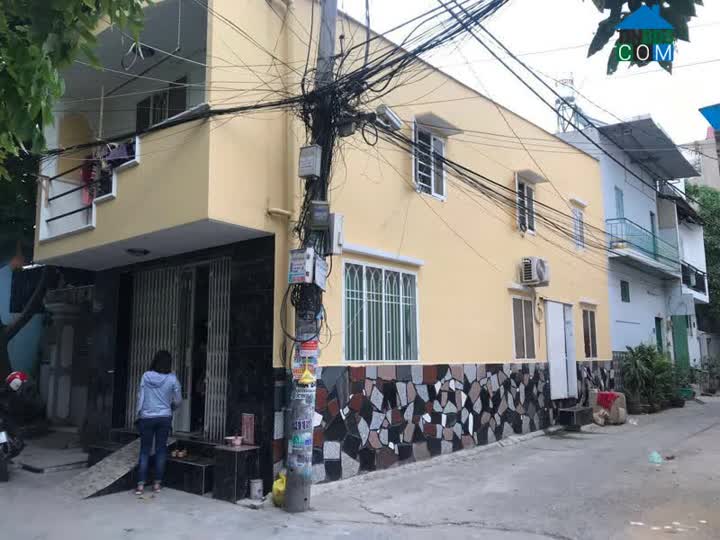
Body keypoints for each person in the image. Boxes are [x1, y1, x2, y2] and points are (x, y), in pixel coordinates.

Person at [135, 350, 181, 496]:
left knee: (145, 450)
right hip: (164, 417)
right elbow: (178, 400)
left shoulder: (146, 376)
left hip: (147, 417)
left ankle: (140, 486)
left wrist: (139, 413)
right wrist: (171, 407)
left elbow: (140, 396)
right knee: (161, 450)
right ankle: (156, 485)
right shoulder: (172, 378)